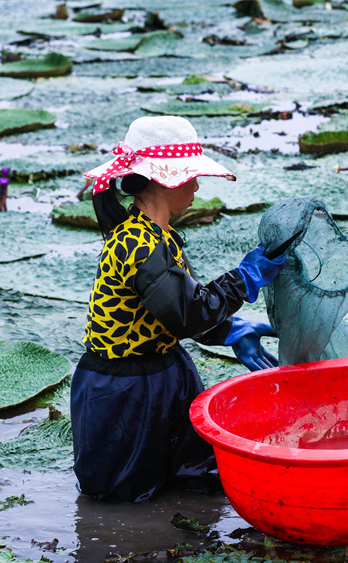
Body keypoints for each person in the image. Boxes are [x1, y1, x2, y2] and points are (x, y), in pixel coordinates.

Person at [70, 116, 285, 503]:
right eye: (192, 177)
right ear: (166, 180)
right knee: (125, 498)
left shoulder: (157, 234)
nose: (199, 186)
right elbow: (188, 313)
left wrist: (229, 330)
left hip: (163, 372)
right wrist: (246, 278)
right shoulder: (138, 244)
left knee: (187, 486)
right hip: (124, 390)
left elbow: (172, 310)